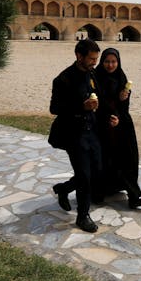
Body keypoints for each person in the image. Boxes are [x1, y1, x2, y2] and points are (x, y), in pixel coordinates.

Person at [48, 39, 110, 232]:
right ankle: (83, 216)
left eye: (96, 59)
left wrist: (109, 116)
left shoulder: (92, 74)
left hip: (92, 130)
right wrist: (80, 107)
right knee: (84, 175)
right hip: (73, 132)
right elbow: (54, 108)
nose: (94, 62)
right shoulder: (63, 79)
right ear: (79, 56)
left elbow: (99, 97)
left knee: (96, 170)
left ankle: (63, 188)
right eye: (91, 59)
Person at [96, 47, 141, 209]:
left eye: (113, 62)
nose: (110, 65)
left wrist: (124, 97)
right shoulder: (96, 77)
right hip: (102, 124)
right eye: (107, 61)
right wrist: (108, 117)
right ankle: (101, 190)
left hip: (122, 123)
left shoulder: (121, 76)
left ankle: (134, 195)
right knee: (106, 159)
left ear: (118, 62)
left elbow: (124, 103)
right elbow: (96, 101)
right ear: (102, 62)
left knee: (127, 157)